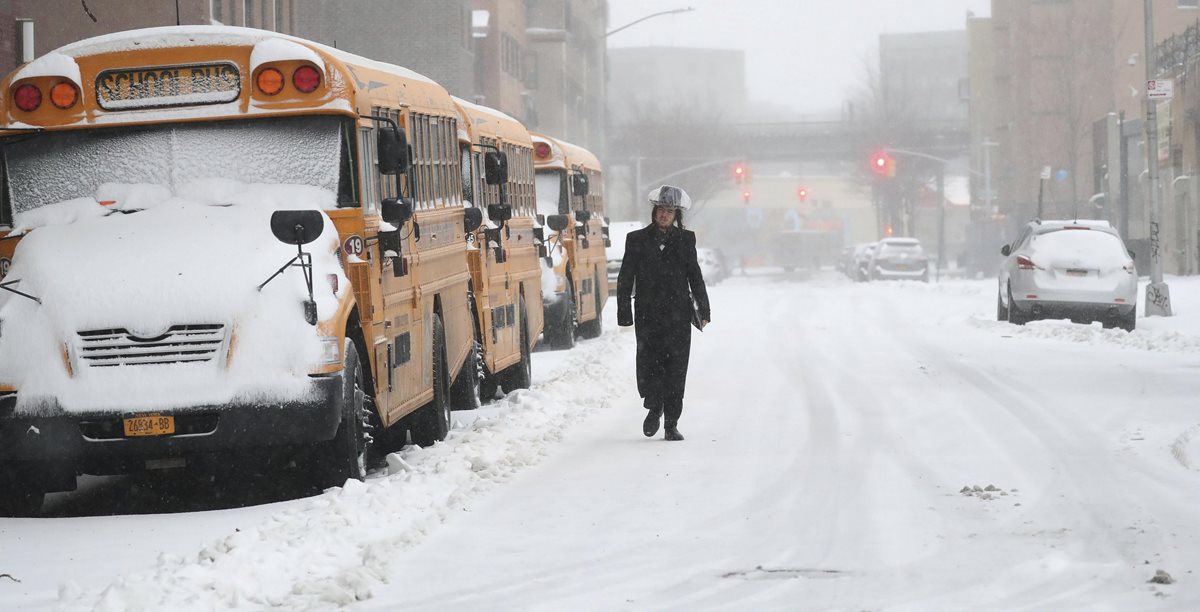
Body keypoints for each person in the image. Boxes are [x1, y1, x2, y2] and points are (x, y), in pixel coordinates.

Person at [616, 185, 710, 441]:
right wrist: (624, 309)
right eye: (661, 210)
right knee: (648, 365)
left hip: (678, 315)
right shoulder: (636, 240)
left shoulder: (685, 240)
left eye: (670, 211)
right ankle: (653, 407)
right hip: (647, 315)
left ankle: (671, 423)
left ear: (676, 214)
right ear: (654, 212)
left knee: (676, 369)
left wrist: (704, 307)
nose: (664, 215)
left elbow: (695, 276)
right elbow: (626, 277)